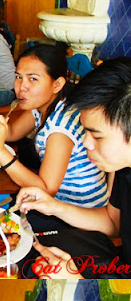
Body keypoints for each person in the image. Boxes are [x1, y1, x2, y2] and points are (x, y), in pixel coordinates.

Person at [17, 57, 131, 278]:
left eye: (97, 136)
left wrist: (77, 281)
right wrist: (54, 206)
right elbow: (112, 222)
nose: (86, 142)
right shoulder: (124, 168)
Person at [0, 43, 108, 208]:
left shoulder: (60, 129)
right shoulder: (44, 105)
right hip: (56, 201)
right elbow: (12, 132)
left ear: (57, 84)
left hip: (77, 211)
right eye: (18, 77)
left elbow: (46, 190)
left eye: (33, 79)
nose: (21, 87)